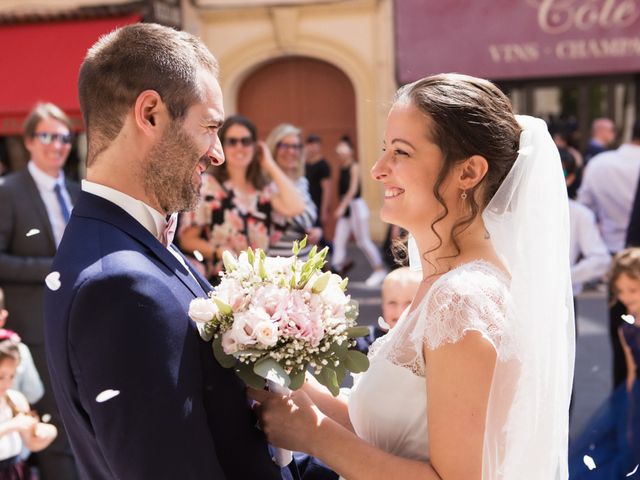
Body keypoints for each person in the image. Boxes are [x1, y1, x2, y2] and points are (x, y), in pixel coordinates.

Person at [249, 73, 574, 479]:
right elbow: (390, 433)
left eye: (400, 153)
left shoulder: (464, 298)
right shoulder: (441, 281)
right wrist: (283, 374)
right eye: (385, 149)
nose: (378, 169)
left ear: (469, 172)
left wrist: (316, 437)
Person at [43, 23, 285, 479]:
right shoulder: (118, 283)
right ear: (150, 113)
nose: (217, 154)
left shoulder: (136, 243)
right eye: (210, 127)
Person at [0, 102, 80, 479]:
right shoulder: (9, 191)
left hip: (79, 326)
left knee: (82, 420)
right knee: (52, 428)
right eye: (47, 136)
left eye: (64, 137)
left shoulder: (79, 193)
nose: (57, 145)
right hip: (33, 331)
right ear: (30, 141)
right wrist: (53, 267)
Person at [178, 115, 304, 282]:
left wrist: (268, 163)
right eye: (232, 141)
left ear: (254, 146)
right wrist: (219, 251)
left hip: (260, 283)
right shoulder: (208, 186)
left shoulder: (263, 190)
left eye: (246, 141)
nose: (240, 147)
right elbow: (187, 239)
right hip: (222, 281)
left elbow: (297, 207)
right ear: (222, 145)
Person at [578, 119, 640, 389]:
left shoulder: (599, 164)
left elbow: (585, 208)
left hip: (616, 261)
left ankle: (624, 405)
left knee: (622, 340)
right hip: (624, 260)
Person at [569, 248, 640, 479]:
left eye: (633, 290)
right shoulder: (627, 329)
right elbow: (631, 372)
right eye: (620, 291)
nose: (626, 297)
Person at [330, 136, 387, 287]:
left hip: (355, 206)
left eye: (343, 149)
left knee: (363, 240)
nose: (340, 153)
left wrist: (342, 206)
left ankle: (379, 269)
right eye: (339, 150)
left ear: (350, 151)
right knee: (339, 239)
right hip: (347, 207)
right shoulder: (341, 167)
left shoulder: (354, 166)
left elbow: (353, 189)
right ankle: (337, 270)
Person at [0, 330, 57, 480]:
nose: (7, 383)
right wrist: (12, 425)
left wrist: (48, 432)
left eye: (12, 376)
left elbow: (31, 443)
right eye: (1, 376)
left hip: (14, 470)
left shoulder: (15, 399)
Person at [560, 149, 610, 300]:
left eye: (560, 173)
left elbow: (600, 259)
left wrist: (566, 277)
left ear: (570, 178)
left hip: (563, 298)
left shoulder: (579, 214)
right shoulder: (515, 209)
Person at [266, 124, 319, 259]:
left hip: (304, 261)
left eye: (295, 146)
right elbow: (298, 211)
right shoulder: (265, 183)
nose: (291, 151)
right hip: (277, 266)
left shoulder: (301, 181)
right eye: (285, 146)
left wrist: (317, 231)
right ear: (274, 148)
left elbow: (308, 218)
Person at [356, 267, 421, 354]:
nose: (400, 311)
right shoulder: (370, 340)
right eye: (392, 303)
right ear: (383, 305)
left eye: (409, 303)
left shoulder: (431, 346)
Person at [0, 289, 43, 406]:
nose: (6, 383)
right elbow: (33, 393)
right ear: (2, 317)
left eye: (11, 376)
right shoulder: (19, 349)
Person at [304, 134, 333, 250]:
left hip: (317, 205)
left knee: (316, 238)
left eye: (316, 145)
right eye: (311, 145)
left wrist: (324, 210)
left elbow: (327, 189)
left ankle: (329, 256)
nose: (314, 148)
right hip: (306, 205)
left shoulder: (323, 165)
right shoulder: (304, 164)